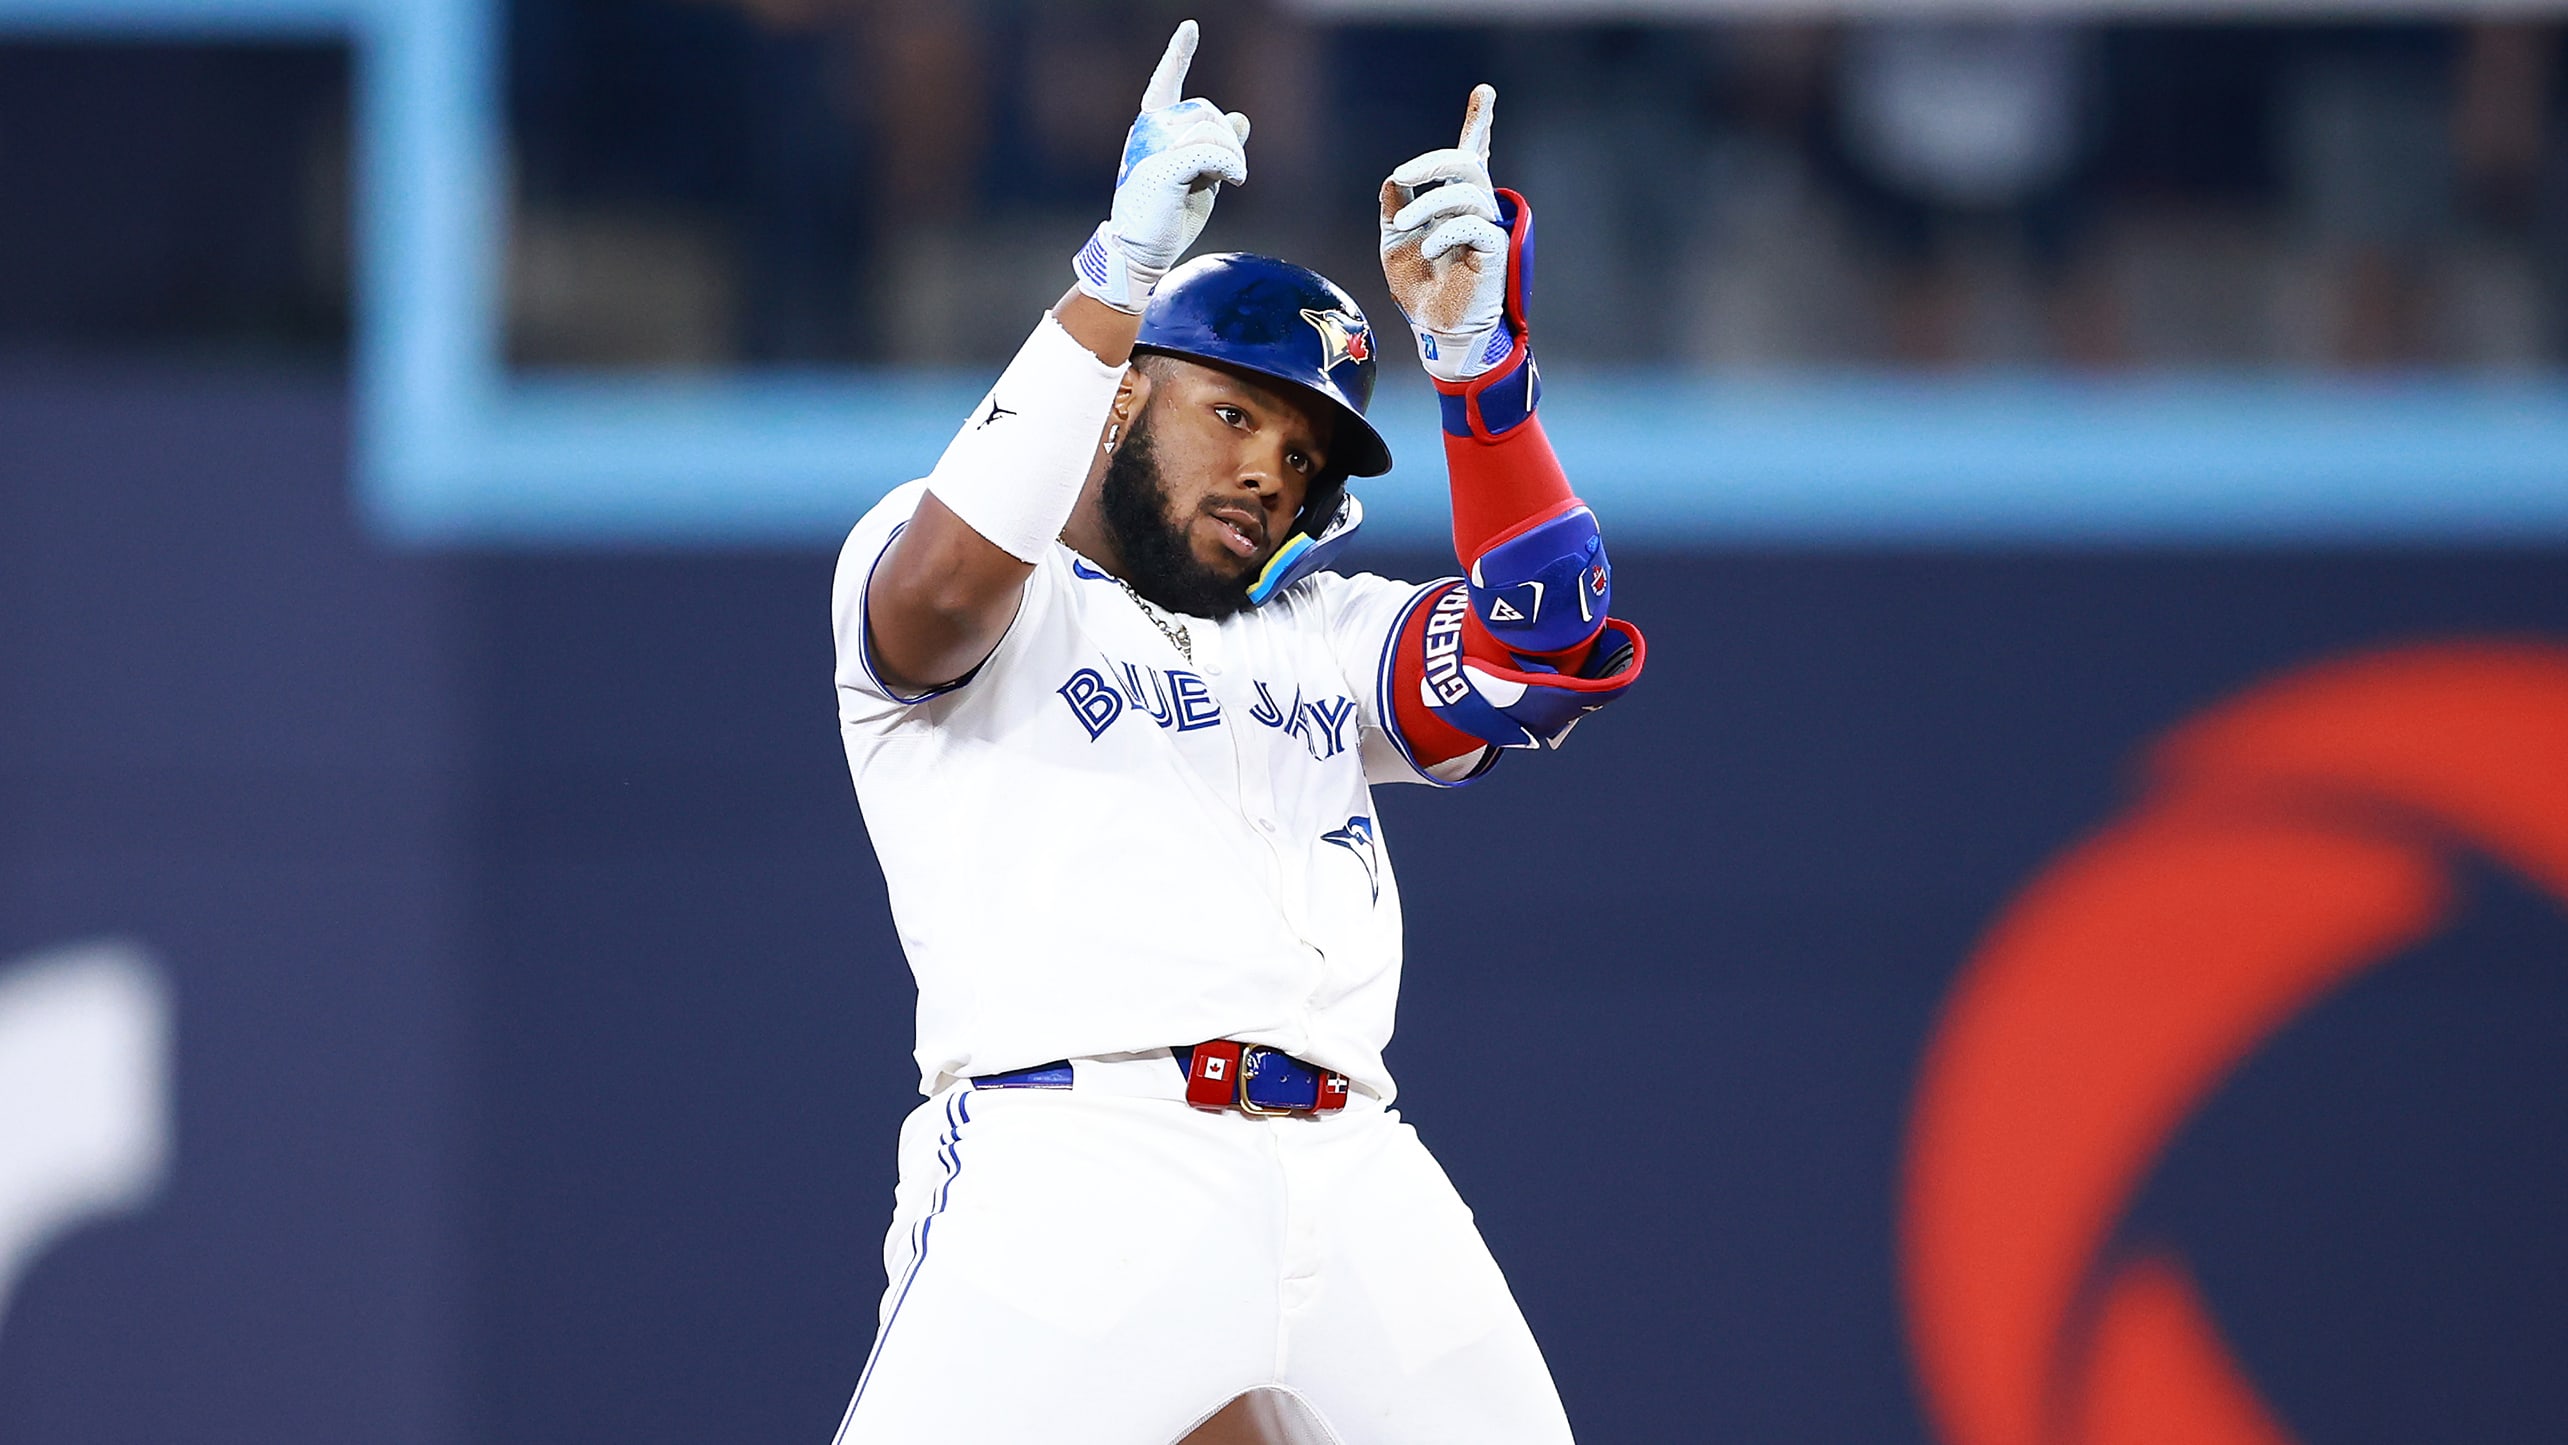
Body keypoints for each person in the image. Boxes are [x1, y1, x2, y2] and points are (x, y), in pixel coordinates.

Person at [826, 21, 1643, 1443]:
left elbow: (1546, 648)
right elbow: (944, 598)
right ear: (1126, 392)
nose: (1271, 465)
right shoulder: (952, 556)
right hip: (1078, 1157)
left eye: (1307, 452)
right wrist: (1113, 284)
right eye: (1236, 411)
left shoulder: (1319, 636)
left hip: (1352, 1169)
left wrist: (1479, 363)